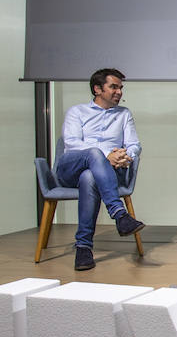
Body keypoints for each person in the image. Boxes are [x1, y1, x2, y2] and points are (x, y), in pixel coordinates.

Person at [56, 68, 145, 271]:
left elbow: (134, 144)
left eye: (121, 87)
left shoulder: (124, 114)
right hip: (70, 169)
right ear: (97, 89)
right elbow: (71, 144)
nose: (119, 92)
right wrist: (107, 156)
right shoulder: (76, 112)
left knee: (89, 178)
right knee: (93, 153)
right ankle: (118, 213)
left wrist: (125, 156)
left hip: (101, 173)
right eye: (113, 87)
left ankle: (83, 248)